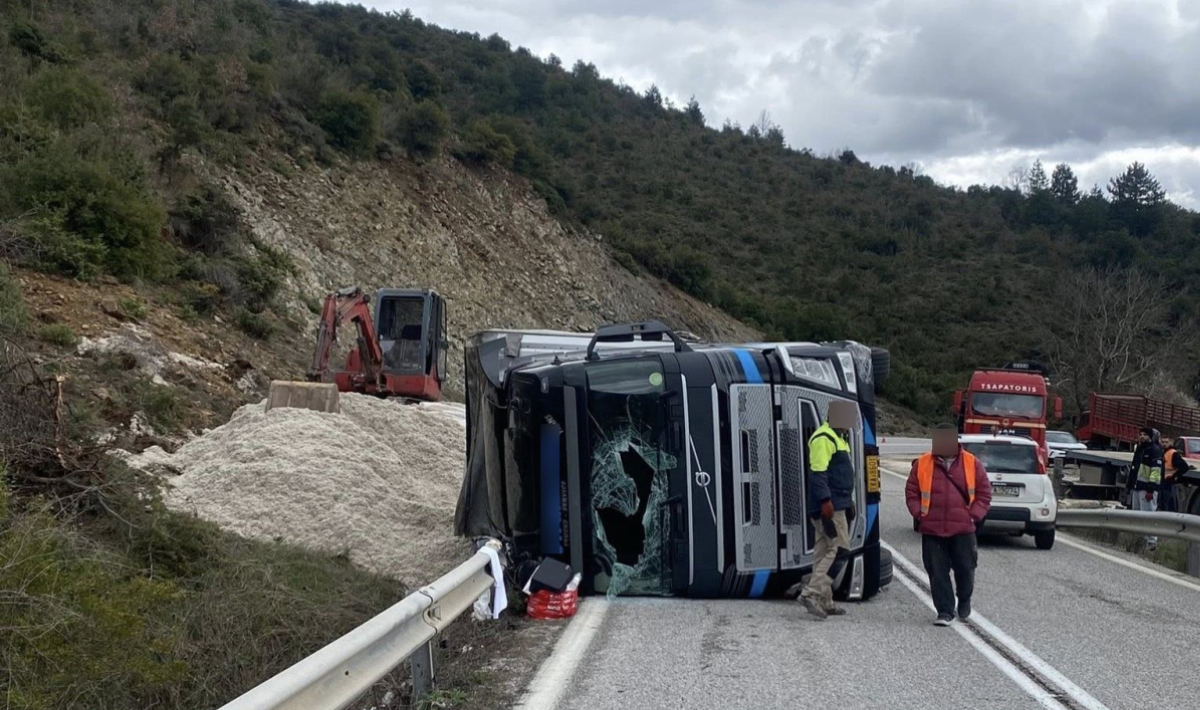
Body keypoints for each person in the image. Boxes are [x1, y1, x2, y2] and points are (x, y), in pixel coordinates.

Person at [905, 424, 992, 626]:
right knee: (937, 572)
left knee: (966, 569)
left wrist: (973, 516)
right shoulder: (922, 463)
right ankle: (944, 611)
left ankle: (964, 597)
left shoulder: (972, 463)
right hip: (932, 529)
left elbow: (984, 493)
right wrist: (919, 513)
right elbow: (911, 492)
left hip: (963, 529)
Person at [798, 400, 859, 620]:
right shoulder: (823, 438)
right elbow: (818, 473)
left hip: (836, 504)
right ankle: (810, 593)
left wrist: (848, 501)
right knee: (840, 549)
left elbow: (840, 475)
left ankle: (825, 601)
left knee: (823, 551)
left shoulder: (838, 438)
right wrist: (826, 502)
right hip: (830, 508)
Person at [1128, 427, 1163, 549]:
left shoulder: (1155, 450)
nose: (1142, 436)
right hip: (1137, 487)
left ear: (1150, 437)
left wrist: (1151, 488)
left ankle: (1152, 542)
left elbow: (1156, 471)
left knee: (1148, 516)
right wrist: (1130, 485)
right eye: (1141, 434)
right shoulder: (1140, 449)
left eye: (1145, 434)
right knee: (1137, 516)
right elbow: (1134, 468)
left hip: (1147, 489)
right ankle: (1140, 542)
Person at [1162, 436, 1190, 514]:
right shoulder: (1162, 452)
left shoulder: (1173, 453)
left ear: (1170, 443)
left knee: (1169, 503)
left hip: (1169, 482)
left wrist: (1175, 476)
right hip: (1163, 481)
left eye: (1166, 442)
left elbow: (1184, 467)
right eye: (1163, 442)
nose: (1164, 444)